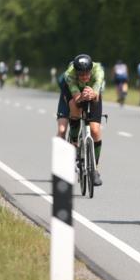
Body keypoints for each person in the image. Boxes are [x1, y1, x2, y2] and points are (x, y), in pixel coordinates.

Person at [56, 54, 105, 186]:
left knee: (95, 130)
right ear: (76, 72)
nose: (84, 77)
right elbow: (76, 97)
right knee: (75, 108)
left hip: (92, 91)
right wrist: (81, 97)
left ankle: (95, 169)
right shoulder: (69, 75)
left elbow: (96, 93)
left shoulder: (98, 70)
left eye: (86, 74)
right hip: (75, 92)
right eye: (81, 74)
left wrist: (92, 93)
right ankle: (74, 139)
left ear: (91, 70)